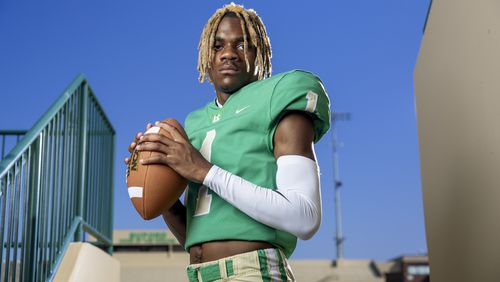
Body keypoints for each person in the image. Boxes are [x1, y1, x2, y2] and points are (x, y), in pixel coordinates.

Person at [125, 3, 330, 281]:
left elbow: (305, 218)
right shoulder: (196, 123)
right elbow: (200, 233)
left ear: (260, 53)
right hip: (198, 273)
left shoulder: (278, 96)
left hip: (252, 272)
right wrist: (159, 184)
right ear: (205, 57)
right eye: (218, 46)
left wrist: (203, 171)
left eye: (242, 45)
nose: (229, 54)